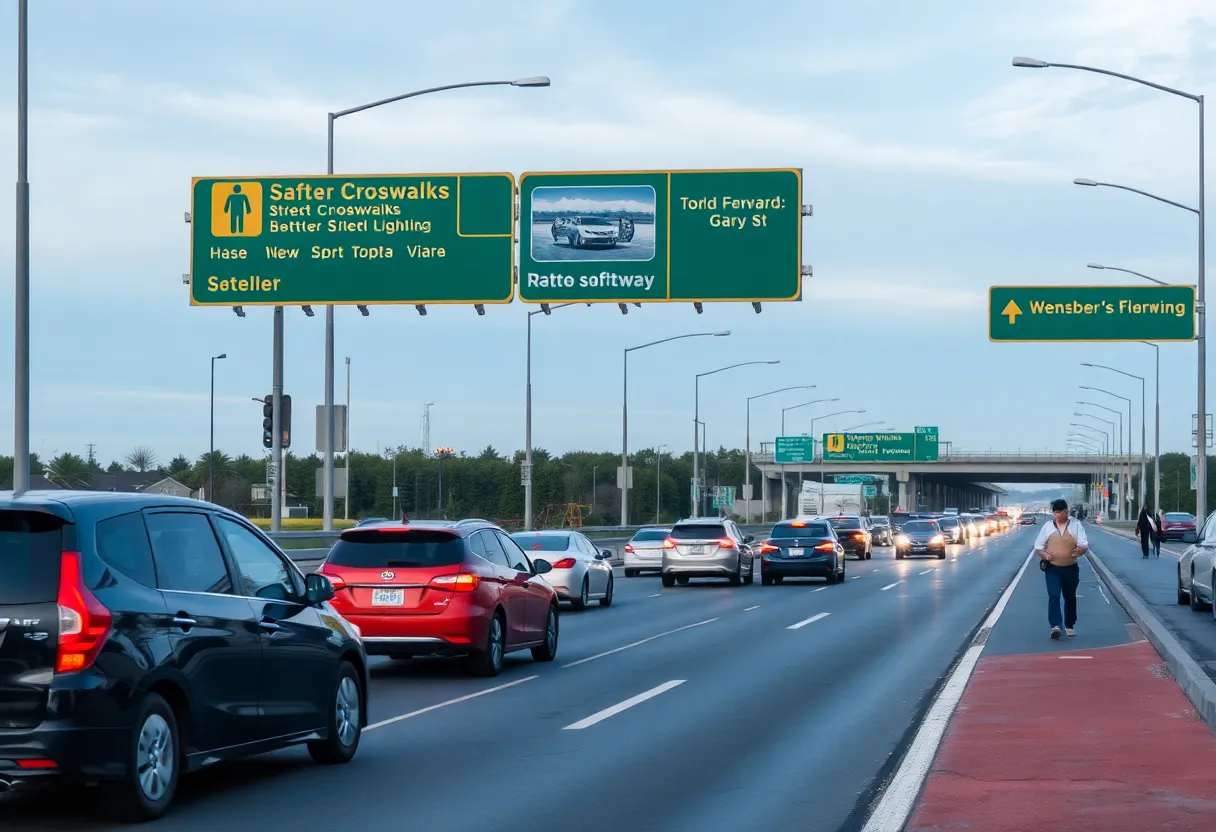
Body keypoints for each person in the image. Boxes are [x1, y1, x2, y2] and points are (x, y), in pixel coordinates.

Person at [1033, 498, 1089, 640]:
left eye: (1060, 512)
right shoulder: (1047, 526)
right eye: (1055, 513)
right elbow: (1038, 546)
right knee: (1054, 595)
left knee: (1070, 596)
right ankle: (1056, 626)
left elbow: (1084, 544)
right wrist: (1045, 554)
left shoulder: (1076, 525)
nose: (1058, 515)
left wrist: (1080, 551)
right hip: (1053, 568)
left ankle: (1069, 625)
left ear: (1066, 512)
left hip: (1070, 568)